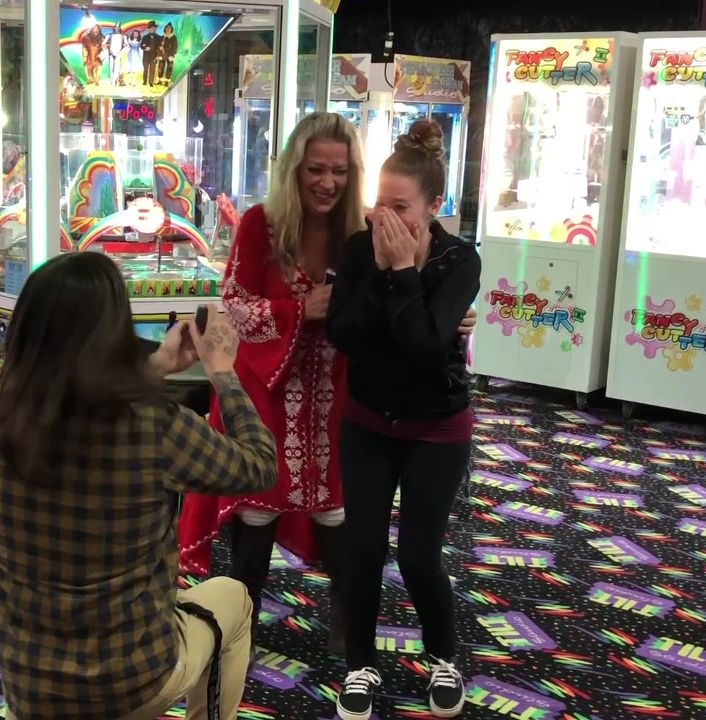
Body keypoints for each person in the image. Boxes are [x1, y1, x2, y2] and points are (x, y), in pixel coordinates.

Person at [177, 112, 479, 655]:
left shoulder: (364, 231)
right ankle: (237, 631)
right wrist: (299, 308)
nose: (327, 182)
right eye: (316, 168)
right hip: (267, 392)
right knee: (258, 506)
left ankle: (349, 637)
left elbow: (400, 304)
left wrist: (447, 314)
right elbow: (236, 307)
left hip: (341, 391)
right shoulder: (259, 225)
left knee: (342, 516)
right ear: (294, 169)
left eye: (340, 171)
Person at [0, 251, 279, 720]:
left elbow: (74, 404)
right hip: (130, 678)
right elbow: (259, 467)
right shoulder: (153, 424)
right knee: (234, 600)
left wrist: (155, 367)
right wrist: (222, 371)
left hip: (27, 681)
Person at [326, 119, 480, 720]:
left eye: (399, 207)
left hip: (436, 428)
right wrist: (385, 274)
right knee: (362, 550)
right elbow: (343, 334)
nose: (382, 219)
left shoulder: (458, 261)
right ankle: (360, 663)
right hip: (367, 420)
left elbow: (421, 348)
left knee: (419, 556)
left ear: (433, 206)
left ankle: (443, 655)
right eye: (377, 205)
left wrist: (404, 276)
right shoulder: (361, 247)